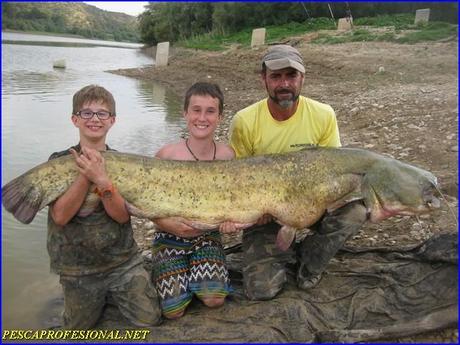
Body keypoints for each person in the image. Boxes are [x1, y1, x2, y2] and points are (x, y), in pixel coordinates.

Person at [228, 45, 368, 300]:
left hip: (313, 206)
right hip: (266, 215)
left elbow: (335, 171)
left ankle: (310, 261)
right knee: (262, 290)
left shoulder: (323, 115)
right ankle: (283, 248)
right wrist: (256, 212)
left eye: (291, 76)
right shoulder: (244, 121)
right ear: (264, 79)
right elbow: (237, 182)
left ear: (302, 78)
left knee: (357, 211)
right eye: (276, 76)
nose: (284, 83)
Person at [47, 85, 162, 329]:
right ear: (75, 119)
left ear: (112, 121)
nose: (95, 119)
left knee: (149, 320)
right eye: (87, 113)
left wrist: (102, 180)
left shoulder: (123, 163)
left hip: (122, 263)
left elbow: (121, 216)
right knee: (77, 329)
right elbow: (60, 216)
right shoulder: (57, 162)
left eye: (102, 113)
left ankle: (111, 296)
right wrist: (86, 175)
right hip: (78, 269)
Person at [151, 82, 239, 319]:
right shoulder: (167, 155)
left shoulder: (227, 156)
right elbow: (148, 203)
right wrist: (168, 225)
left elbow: (233, 201)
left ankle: (200, 274)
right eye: (196, 110)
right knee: (173, 312)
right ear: (185, 113)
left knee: (214, 299)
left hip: (207, 236)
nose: (202, 117)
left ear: (220, 116)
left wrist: (229, 223)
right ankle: (178, 275)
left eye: (210, 111)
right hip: (168, 238)